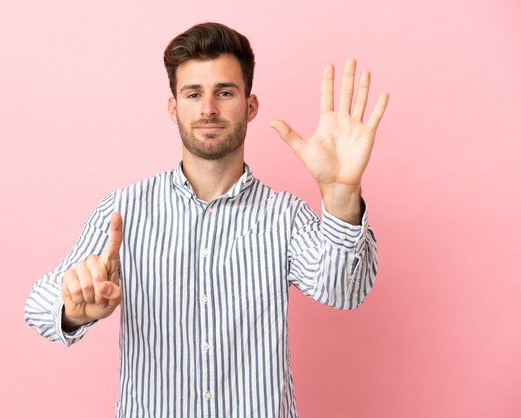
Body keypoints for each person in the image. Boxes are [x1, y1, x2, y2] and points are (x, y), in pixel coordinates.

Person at [25, 21, 388, 418]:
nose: (208, 108)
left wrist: (341, 195)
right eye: (193, 93)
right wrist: (75, 308)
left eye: (225, 92)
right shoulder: (123, 211)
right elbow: (40, 308)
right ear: (173, 106)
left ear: (250, 107)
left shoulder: (284, 216)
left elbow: (344, 291)